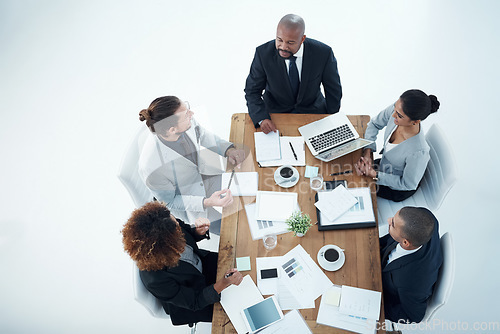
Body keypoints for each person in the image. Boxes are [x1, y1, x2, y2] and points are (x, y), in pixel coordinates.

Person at [122, 201, 243, 325]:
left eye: (175, 220)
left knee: (246, 263)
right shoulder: (155, 280)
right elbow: (195, 301)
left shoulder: (166, 222)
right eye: (177, 229)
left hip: (203, 266)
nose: (179, 226)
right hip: (196, 298)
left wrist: (198, 232)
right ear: (166, 244)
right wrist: (224, 283)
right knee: (242, 306)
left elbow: (186, 231)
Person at [138, 96, 245, 234]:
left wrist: (228, 150)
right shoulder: (151, 167)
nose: (192, 114)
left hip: (206, 175)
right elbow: (170, 202)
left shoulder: (185, 122)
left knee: (246, 197)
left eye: (187, 109)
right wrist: (208, 202)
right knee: (232, 230)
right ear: (172, 130)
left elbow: (203, 135)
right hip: (191, 200)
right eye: (186, 115)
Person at [244, 14, 342, 134]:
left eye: (290, 42)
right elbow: (252, 91)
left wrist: (331, 119)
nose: (283, 47)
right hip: (275, 116)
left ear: (302, 39)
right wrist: (262, 118)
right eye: (279, 40)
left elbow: (333, 90)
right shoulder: (263, 54)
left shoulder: (323, 53)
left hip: (313, 113)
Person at [355, 89, 440, 202]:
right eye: (395, 108)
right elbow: (374, 124)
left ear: (415, 122)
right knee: (351, 169)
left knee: (355, 188)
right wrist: (367, 152)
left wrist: (375, 175)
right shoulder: (398, 110)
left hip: (395, 188)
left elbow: (407, 184)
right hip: (383, 166)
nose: (393, 114)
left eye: (399, 115)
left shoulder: (419, 152)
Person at [380, 207, 443, 323]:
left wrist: (378, 307)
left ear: (405, 242)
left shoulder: (411, 283)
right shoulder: (427, 219)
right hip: (380, 256)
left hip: (382, 288)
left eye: (392, 224)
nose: (388, 220)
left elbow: (413, 316)